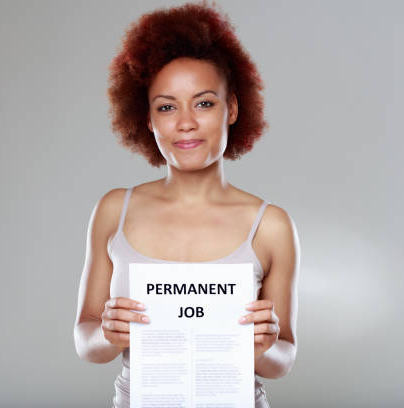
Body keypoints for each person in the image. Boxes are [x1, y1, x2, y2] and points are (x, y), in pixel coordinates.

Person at [73, 2, 299, 407]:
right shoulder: (113, 210)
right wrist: (107, 334)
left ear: (232, 109)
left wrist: (263, 346)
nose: (185, 122)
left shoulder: (271, 225)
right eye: (167, 106)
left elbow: (284, 358)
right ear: (147, 119)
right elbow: (85, 341)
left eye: (204, 103)